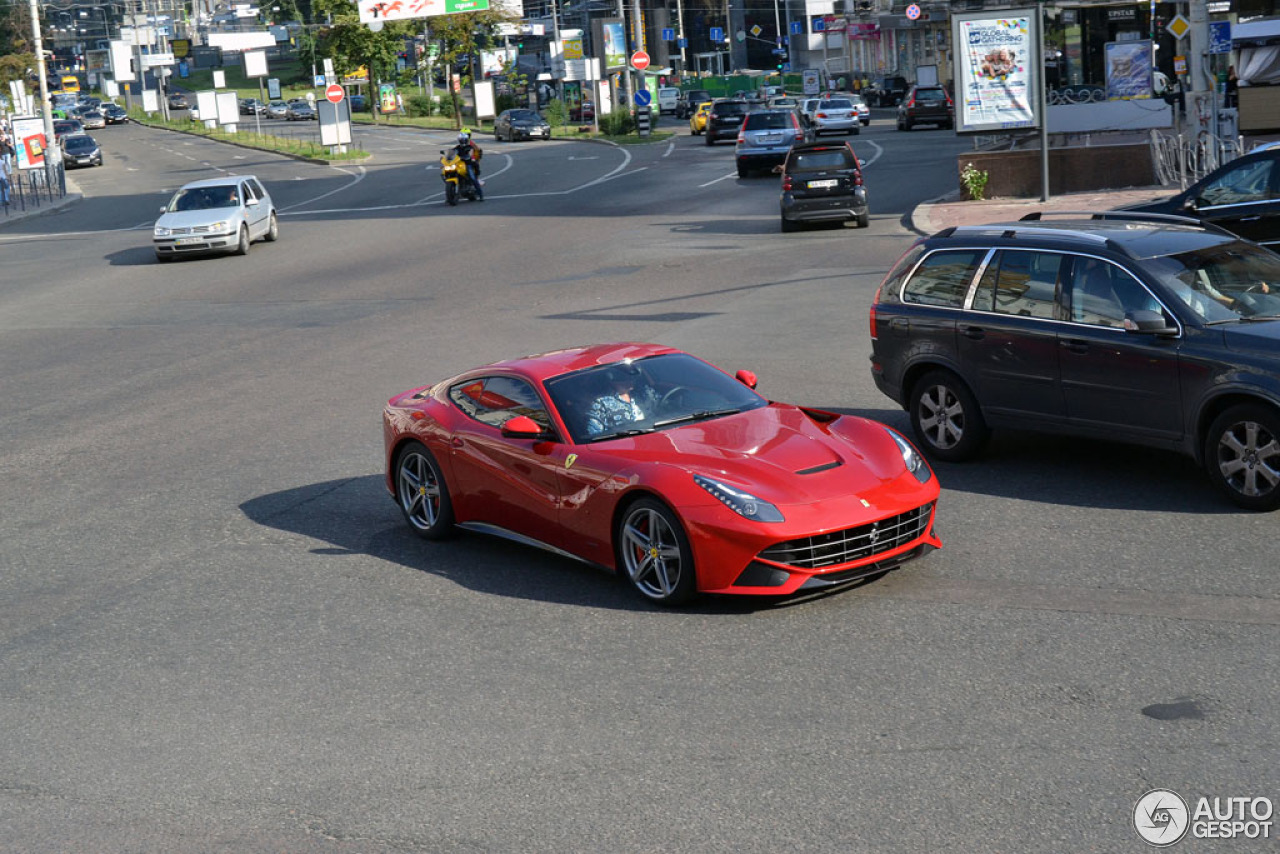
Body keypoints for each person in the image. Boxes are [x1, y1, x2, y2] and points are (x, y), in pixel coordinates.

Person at [583, 366, 658, 437]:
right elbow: (595, 435)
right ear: (611, 381)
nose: (631, 385)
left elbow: (663, 407)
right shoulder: (601, 404)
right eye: (624, 381)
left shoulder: (644, 392)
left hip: (657, 433)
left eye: (633, 379)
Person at [454, 129, 483, 199]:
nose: (463, 142)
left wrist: (473, 158)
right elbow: (451, 153)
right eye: (461, 140)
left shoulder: (470, 146)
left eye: (464, 140)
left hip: (468, 164)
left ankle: (480, 194)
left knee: (473, 178)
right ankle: (451, 195)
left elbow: (475, 151)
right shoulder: (457, 147)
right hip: (459, 164)